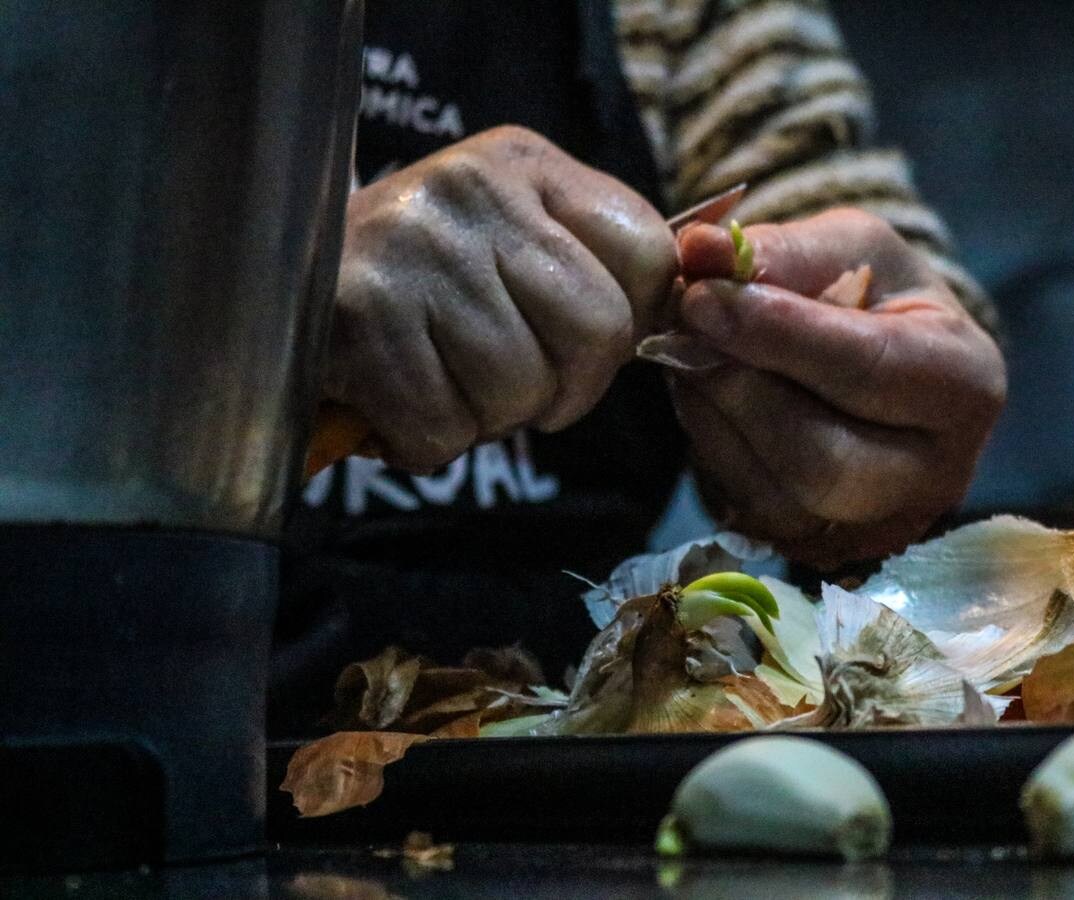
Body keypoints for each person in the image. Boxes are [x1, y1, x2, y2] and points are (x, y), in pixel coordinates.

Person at [270, 0, 1005, 733]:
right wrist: (255, 314)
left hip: (572, 722)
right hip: (188, 692)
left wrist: (876, 385)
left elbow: (835, 206)